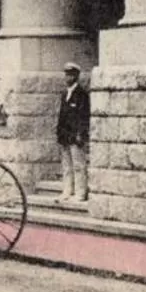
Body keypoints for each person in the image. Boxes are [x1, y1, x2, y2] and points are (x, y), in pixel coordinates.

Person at [54, 63, 91, 201]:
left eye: (70, 74)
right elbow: (61, 116)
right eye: (66, 74)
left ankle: (80, 192)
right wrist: (59, 133)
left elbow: (83, 116)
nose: (67, 77)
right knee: (67, 166)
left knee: (79, 165)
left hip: (76, 136)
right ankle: (67, 190)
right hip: (65, 136)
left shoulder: (81, 95)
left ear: (76, 76)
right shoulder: (65, 94)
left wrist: (81, 134)